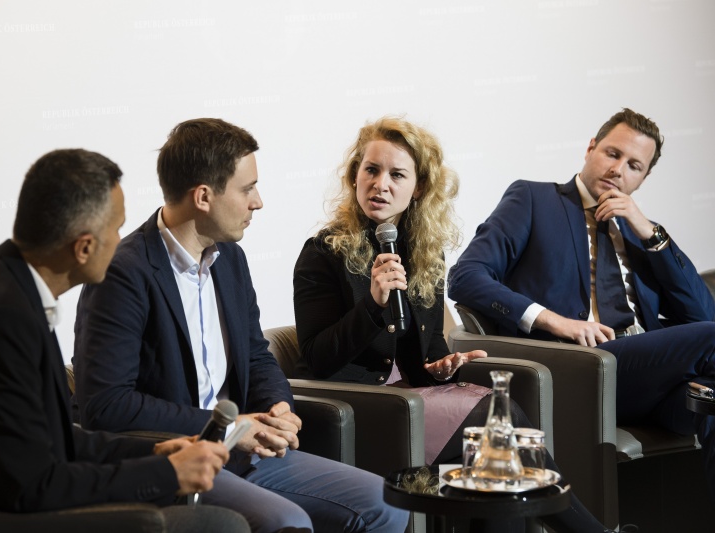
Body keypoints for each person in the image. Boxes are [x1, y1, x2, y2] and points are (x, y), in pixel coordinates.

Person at [73, 118, 409, 533]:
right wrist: (231, 428)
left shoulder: (229, 259)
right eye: (248, 189)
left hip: (243, 453)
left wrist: (277, 408)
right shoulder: (124, 273)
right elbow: (106, 406)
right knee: (287, 522)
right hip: (172, 460)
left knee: (386, 503)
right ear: (203, 197)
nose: (258, 202)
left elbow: (255, 354)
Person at [292, 116, 615, 533]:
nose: (380, 184)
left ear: (419, 187)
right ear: (355, 175)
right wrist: (372, 305)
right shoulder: (323, 252)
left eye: (397, 174)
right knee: (498, 425)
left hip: (410, 398)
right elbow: (318, 359)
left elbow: (421, 353)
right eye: (370, 170)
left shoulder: (424, 252)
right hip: (361, 407)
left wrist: (443, 364)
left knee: (496, 457)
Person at [0, 149, 249, 532]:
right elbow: (33, 487)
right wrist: (165, 474)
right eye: (117, 228)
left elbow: (52, 441)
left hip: (15, 500)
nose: (122, 240)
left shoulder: (8, 287)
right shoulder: (0, 316)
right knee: (219, 525)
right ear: (84, 247)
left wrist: (155, 451)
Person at [447, 108, 715, 498]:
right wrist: (554, 321)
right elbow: (465, 277)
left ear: (644, 177)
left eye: (634, 165)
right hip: (578, 367)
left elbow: (702, 315)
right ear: (590, 148)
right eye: (612, 153)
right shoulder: (534, 199)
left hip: (648, 382)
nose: (619, 169)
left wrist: (649, 231)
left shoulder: (642, 233)